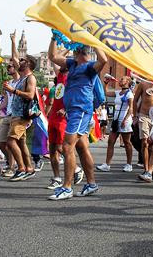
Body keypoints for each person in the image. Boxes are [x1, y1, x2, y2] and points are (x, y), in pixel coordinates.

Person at [47, 39, 107, 200]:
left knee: (66, 147)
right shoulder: (73, 64)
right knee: (81, 148)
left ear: (78, 52)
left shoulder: (90, 66)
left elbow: (104, 60)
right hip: (73, 111)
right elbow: (52, 56)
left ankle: (66, 188)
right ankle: (91, 183)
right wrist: (54, 37)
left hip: (80, 111)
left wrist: (95, 41)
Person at [2, 34, 37, 182]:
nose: (18, 62)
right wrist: (13, 41)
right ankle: (29, 168)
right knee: (21, 143)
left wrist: (13, 91)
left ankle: (21, 168)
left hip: (22, 115)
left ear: (28, 63)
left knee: (10, 141)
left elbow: (29, 95)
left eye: (23, 60)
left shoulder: (30, 78)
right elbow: (15, 57)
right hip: (16, 114)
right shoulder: (22, 76)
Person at [97, 76, 134, 172]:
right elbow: (106, 93)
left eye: (122, 79)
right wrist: (106, 84)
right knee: (111, 141)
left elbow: (131, 108)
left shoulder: (129, 94)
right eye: (121, 79)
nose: (120, 80)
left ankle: (129, 164)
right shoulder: (118, 92)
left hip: (124, 120)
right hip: (116, 119)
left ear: (127, 82)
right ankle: (107, 164)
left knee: (126, 142)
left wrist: (125, 120)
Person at [45, 68, 68, 189]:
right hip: (54, 116)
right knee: (52, 149)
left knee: (61, 147)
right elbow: (53, 57)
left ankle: (76, 169)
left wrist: (66, 109)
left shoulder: (72, 79)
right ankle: (57, 178)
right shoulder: (59, 77)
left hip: (63, 118)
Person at [134, 80, 153, 182]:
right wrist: (135, 115)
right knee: (145, 142)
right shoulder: (143, 84)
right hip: (144, 116)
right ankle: (146, 170)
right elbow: (135, 100)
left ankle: (151, 168)